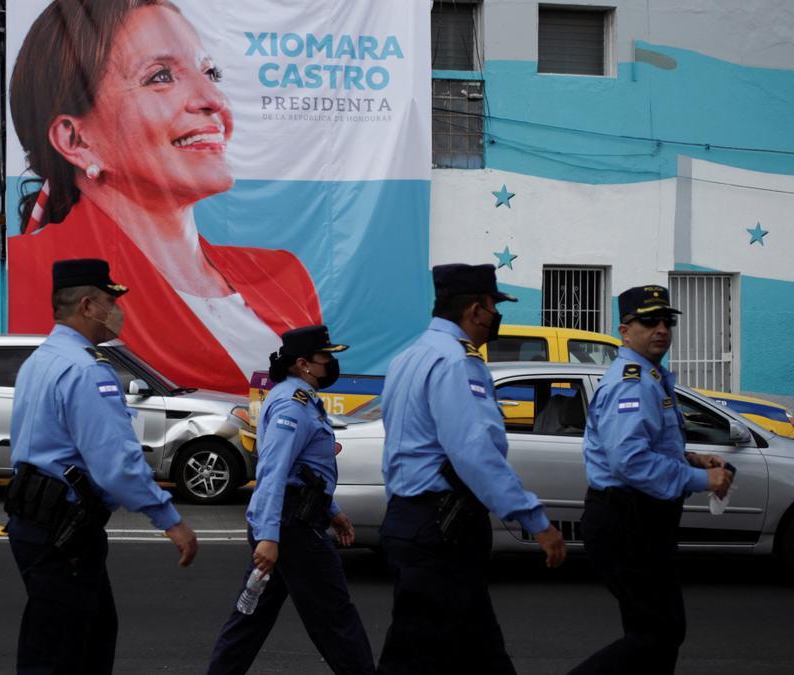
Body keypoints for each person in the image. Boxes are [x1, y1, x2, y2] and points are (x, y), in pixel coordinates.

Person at [7, 0, 322, 394]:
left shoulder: (283, 277)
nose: (213, 99)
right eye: (160, 76)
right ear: (76, 139)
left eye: (211, 72)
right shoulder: (42, 272)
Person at [6, 258, 199, 673]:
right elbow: (117, 465)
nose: (119, 311)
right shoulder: (88, 371)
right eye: (112, 301)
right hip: (65, 532)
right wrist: (169, 519)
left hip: (35, 523)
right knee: (68, 653)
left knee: (68, 637)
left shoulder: (39, 361)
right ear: (89, 306)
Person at [376, 264, 567, 675]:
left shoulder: (408, 357)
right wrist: (535, 519)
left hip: (411, 519)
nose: (498, 317)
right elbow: (475, 452)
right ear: (477, 310)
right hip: (442, 529)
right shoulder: (458, 363)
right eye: (496, 306)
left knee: (470, 648)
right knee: (423, 654)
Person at [569, 285, 733, 675]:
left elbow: (646, 444)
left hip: (639, 520)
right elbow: (630, 462)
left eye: (667, 321)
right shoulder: (633, 382)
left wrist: (691, 456)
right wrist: (700, 478)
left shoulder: (651, 376)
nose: (661, 328)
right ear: (625, 330)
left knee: (654, 631)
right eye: (649, 321)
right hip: (627, 520)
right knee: (658, 632)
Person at [208, 325, 375, 675]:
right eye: (325, 356)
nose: (331, 362)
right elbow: (274, 472)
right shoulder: (293, 405)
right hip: (292, 527)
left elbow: (305, 471)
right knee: (336, 617)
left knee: (250, 616)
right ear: (302, 364)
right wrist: (269, 537)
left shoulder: (301, 400)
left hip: (292, 519)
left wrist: (333, 511)